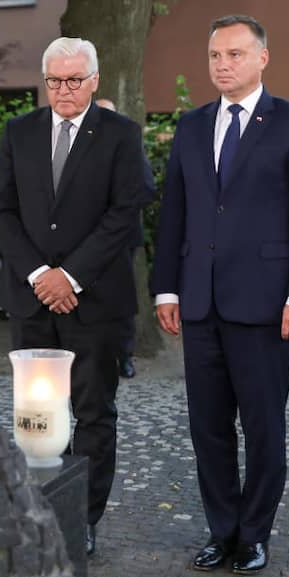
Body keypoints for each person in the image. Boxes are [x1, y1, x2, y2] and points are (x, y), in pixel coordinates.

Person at [151, 15, 289, 574]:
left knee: (263, 428)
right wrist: (166, 288)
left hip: (267, 306)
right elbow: (174, 213)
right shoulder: (191, 126)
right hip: (200, 302)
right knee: (208, 430)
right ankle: (222, 530)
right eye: (214, 55)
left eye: (234, 54)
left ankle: (254, 535)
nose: (222, 64)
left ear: (262, 58)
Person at [0, 36, 146, 556]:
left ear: (94, 80)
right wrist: (40, 274)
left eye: (74, 80)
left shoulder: (122, 135)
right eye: (54, 80)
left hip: (95, 301)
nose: (63, 90)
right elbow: (1, 211)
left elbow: (125, 213)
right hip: (31, 298)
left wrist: (70, 276)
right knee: (36, 413)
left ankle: (82, 519)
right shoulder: (19, 131)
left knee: (93, 413)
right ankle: (35, 510)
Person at [95, 97, 158, 378]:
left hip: (121, 238)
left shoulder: (130, 146)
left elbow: (146, 188)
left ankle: (124, 355)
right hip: (83, 239)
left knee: (120, 299)